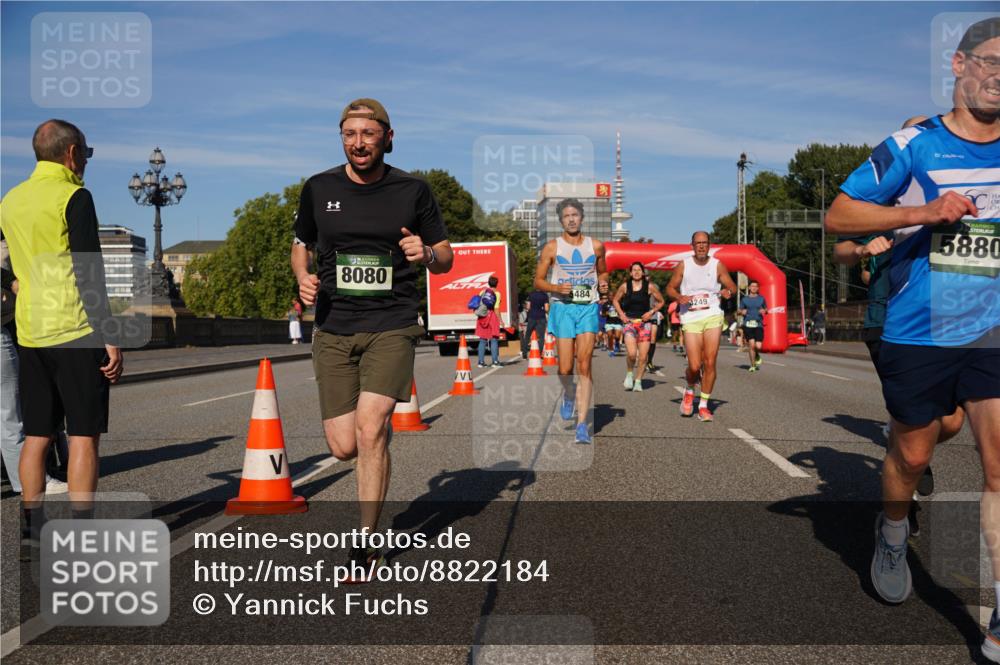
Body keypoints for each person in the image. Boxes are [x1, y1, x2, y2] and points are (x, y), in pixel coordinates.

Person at [824, 18, 1000, 660]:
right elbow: (838, 216)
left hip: (993, 328)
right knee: (915, 453)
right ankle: (893, 530)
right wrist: (921, 212)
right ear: (958, 65)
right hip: (919, 328)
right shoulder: (914, 144)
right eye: (989, 61)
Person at [291, 98, 453, 581]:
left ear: (387, 136)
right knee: (343, 446)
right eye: (349, 134)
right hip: (334, 326)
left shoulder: (413, 190)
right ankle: (374, 459)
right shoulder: (318, 188)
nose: (358, 143)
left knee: (370, 428)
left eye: (367, 133)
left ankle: (366, 542)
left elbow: (445, 256)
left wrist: (424, 251)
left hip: (393, 322)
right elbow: (302, 245)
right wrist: (302, 277)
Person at [833, 115, 958, 535]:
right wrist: (865, 249)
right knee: (916, 422)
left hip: (945, 320)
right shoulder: (879, 198)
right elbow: (842, 252)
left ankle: (904, 440)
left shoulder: (950, 199)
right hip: (886, 320)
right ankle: (899, 519)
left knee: (952, 421)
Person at [0, 120, 121, 547]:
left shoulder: (10, 200)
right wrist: (108, 334)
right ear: (70, 154)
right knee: (84, 434)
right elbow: (90, 271)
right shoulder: (74, 196)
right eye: (85, 153)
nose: (85, 161)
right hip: (74, 329)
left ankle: (32, 530)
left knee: (36, 435)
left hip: (30, 331)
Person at [534, 198, 609, 444]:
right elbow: (538, 282)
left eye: (575, 215)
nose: (571, 219)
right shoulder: (552, 248)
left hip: (587, 307)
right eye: (567, 216)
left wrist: (604, 282)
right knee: (565, 368)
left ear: (582, 217)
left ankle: (582, 426)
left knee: (584, 363)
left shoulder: (596, 246)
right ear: (561, 220)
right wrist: (557, 287)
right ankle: (568, 394)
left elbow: (603, 270)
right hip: (563, 308)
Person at [665, 231, 737, 422]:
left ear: (709, 245)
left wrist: (727, 291)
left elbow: (733, 287)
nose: (701, 246)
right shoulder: (684, 265)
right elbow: (670, 288)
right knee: (695, 366)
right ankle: (689, 389)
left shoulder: (717, 264)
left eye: (705, 243)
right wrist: (679, 297)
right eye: (698, 243)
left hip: (712, 314)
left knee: (710, 361)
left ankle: (703, 405)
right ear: (692, 245)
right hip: (690, 316)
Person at [612, 262, 664, 392]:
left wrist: (651, 312)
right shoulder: (625, 286)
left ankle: (639, 380)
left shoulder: (649, 286)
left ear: (643, 272)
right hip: (629, 322)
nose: (636, 272)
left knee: (643, 356)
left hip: (645, 324)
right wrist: (621, 314)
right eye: (634, 270)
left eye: (639, 270)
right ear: (630, 273)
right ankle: (630, 374)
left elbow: (661, 301)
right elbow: (615, 300)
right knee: (631, 354)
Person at [738, 280, 767, 372]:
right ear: (749, 288)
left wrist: (764, 311)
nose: (754, 288)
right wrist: (741, 312)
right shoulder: (744, 299)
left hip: (758, 324)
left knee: (758, 346)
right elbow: (739, 310)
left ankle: (757, 354)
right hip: (748, 324)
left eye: (756, 286)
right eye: (752, 286)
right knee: (751, 345)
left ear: (758, 288)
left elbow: (766, 309)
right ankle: (753, 365)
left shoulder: (761, 299)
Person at [476, 275, 502, 368]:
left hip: (482, 317)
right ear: (497, 284)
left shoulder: (482, 292)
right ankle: (495, 362)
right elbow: (496, 308)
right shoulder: (497, 293)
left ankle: (480, 362)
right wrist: (501, 320)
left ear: (488, 283)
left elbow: (479, 304)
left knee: (482, 340)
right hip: (492, 317)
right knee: (494, 339)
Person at [521, 288, 548, 359]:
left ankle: (524, 353)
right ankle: (539, 353)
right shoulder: (544, 295)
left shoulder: (531, 294)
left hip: (532, 317)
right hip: (541, 317)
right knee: (541, 337)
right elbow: (546, 308)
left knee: (527, 335)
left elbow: (528, 307)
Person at [604, 288, 623, 356]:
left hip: (617, 322)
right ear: (608, 296)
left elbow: (623, 312)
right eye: (610, 295)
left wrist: (620, 313)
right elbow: (602, 314)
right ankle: (611, 350)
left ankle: (617, 343)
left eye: (612, 295)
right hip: (609, 322)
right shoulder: (606, 304)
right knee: (610, 336)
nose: (611, 297)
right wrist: (606, 313)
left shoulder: (619, 303)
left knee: (617, 336)